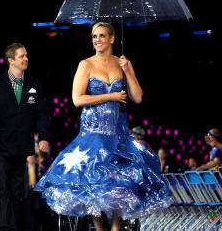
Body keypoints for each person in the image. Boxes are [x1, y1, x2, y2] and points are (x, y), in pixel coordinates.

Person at [35, 22, 171, 231]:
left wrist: (129, 71)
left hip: (118, 134)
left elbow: (138, 97)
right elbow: (77, 99)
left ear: (112, 39)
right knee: (92, 182)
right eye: (94, 36)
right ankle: (99, 228)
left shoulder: (123, 63)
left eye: (101, 36)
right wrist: (111, 96)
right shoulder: (86, 64)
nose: (97, 40)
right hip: (93, 133)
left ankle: (116, 227)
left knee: (120, 181)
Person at [0, 43, 51, 230]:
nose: (26, 59)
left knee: (17, 190)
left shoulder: (34, 84)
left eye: (26, 55)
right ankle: (4, 227)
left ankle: (13, 225)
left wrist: (44, 137)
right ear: (11, 60)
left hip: (22, 145)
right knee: (3, 187)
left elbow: (42, 113)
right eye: (21, 56)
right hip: (0, 145)